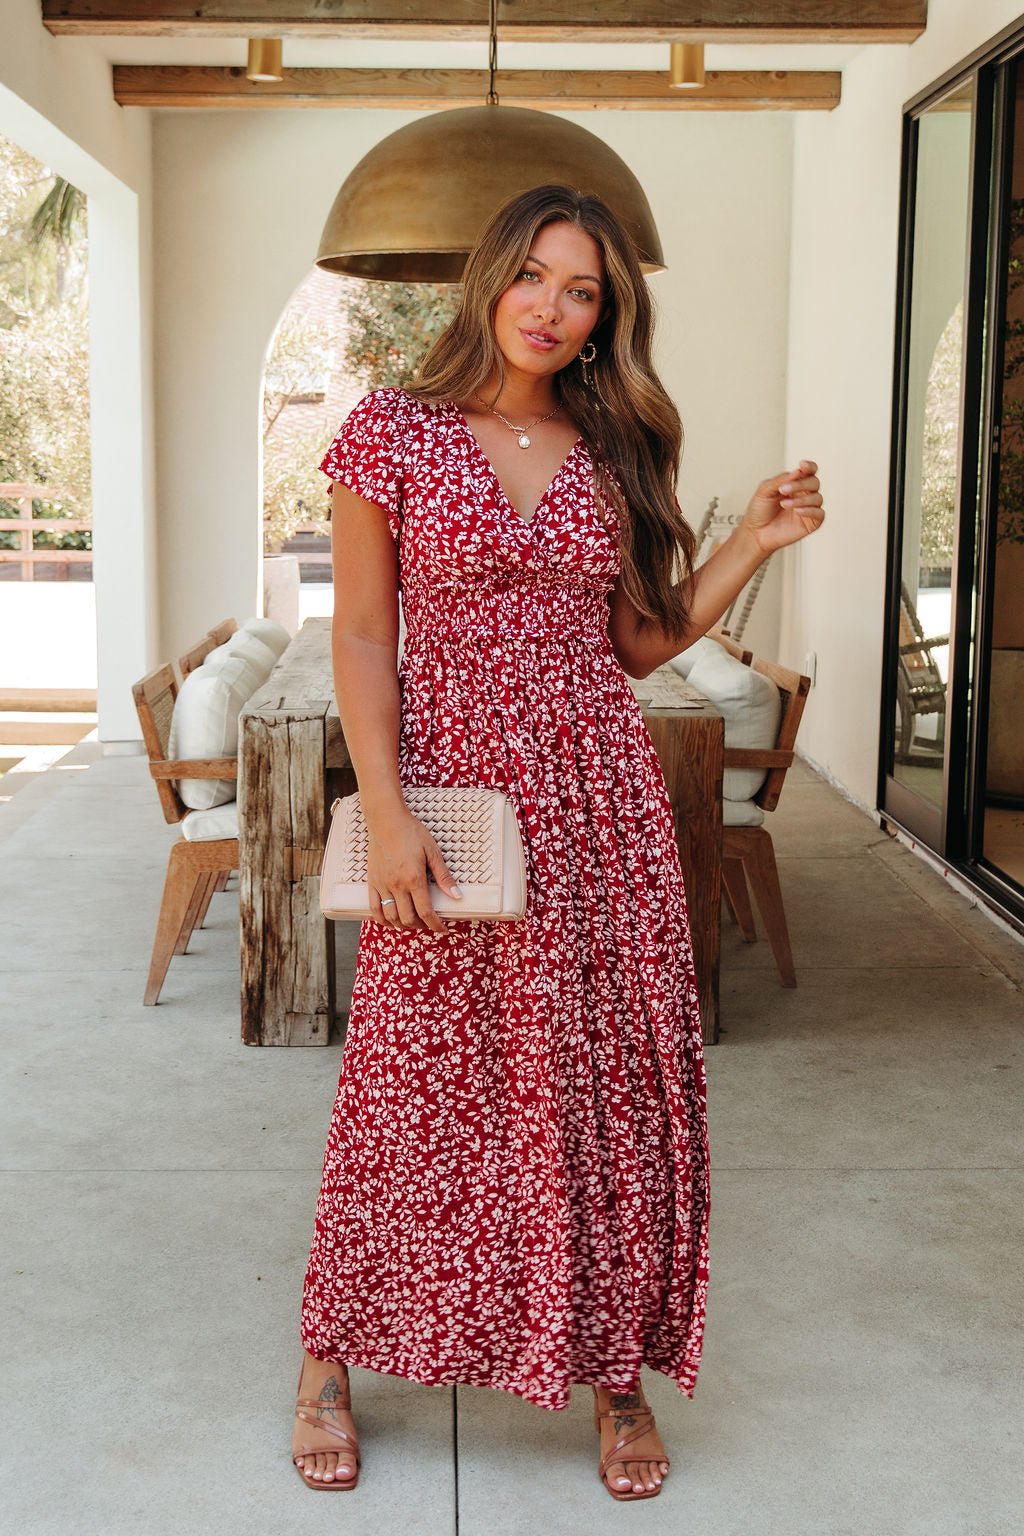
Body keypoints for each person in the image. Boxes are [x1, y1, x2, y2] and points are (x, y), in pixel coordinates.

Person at [291, 182, 825, 1501]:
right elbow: (364, 635)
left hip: (601, 805)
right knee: (411, 1089)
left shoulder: (617, 448)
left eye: (581, 289)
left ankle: (612, 1371)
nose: (551, 306)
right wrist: (392, 805)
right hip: (455, 798)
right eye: (534, 275)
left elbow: (635, 643)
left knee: (597, 1097)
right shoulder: (394, 433)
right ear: (489, 281)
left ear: (605, 317)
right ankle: (329, 1356)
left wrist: (751, 539)